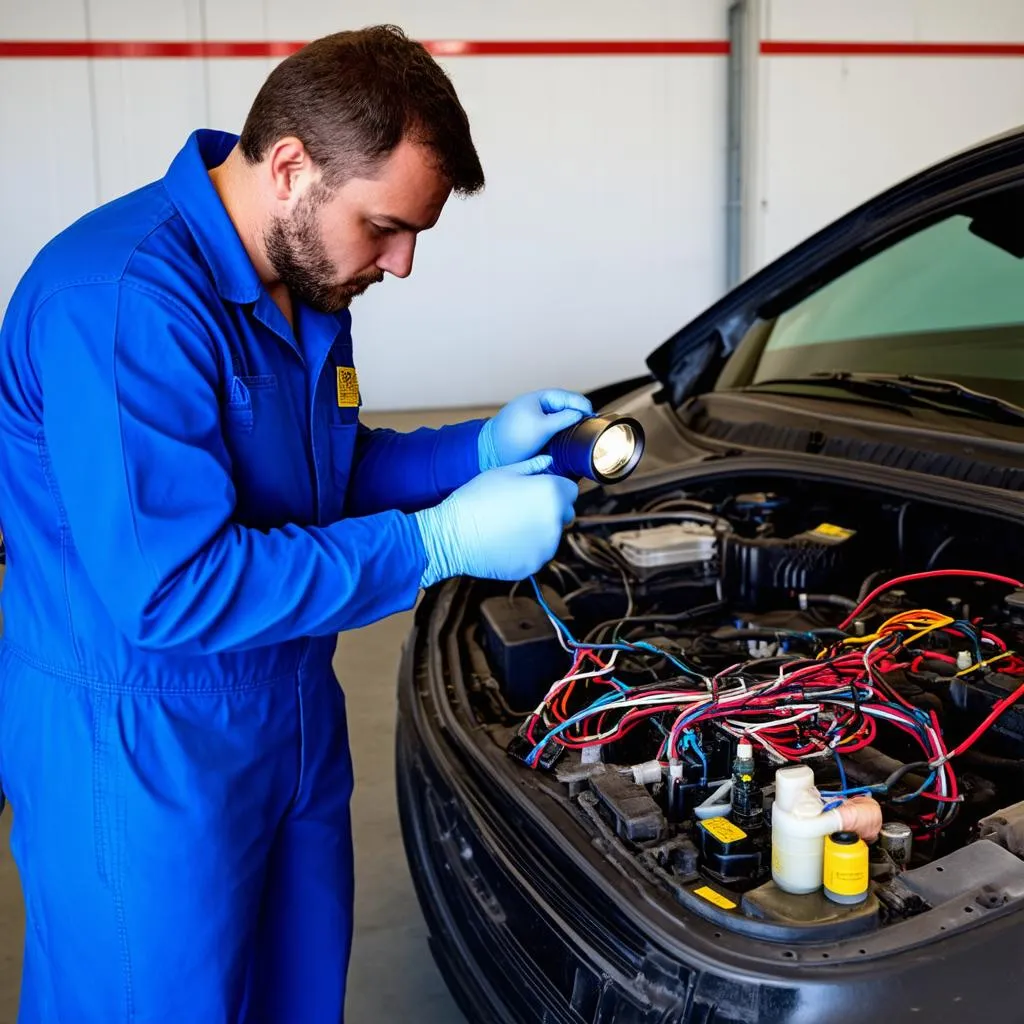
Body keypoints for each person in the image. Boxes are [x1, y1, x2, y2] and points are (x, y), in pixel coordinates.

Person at [0, 25, 591, 1022]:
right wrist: (436, 544)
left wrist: (476, 452)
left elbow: (326, 477)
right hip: (143, 743)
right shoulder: (121, 300)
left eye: (417, 235)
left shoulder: (307, 285)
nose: (400, 264)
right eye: (386, 226)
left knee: (295, 995)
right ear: (289, 166)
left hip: (286, 712)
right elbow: (170, 588)